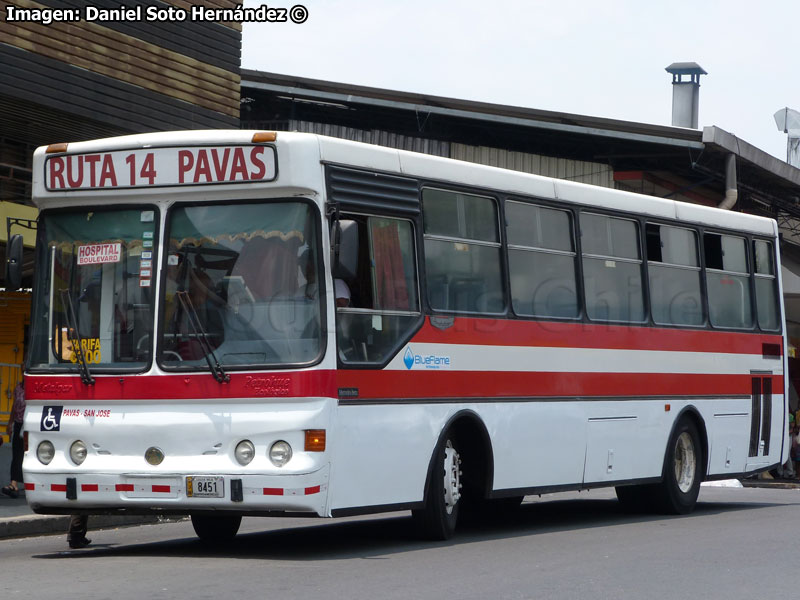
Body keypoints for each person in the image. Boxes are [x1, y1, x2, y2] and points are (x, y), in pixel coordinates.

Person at [1, 377, 25, 498]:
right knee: (16, 453)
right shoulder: (18, 388)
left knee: (27, 454)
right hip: (19, 424)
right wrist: (10, 423)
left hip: (30, 424)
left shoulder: (35, 388)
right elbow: (14, 407)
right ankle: (13, 484)